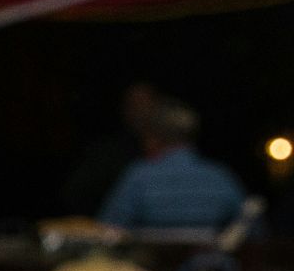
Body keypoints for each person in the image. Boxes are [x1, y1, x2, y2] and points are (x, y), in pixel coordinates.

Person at [98, 97, 247, 230]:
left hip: (150, 261)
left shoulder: (139, 177)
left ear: (152, 139)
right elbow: (252, 232)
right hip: (211, 260)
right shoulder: (221, 177)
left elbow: (108, 232)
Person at [61, 80, 156, 218]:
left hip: (162, 233)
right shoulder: (106, 153)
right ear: (124, 109)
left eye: (146, 104)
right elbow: (75, 194)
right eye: (134, 105)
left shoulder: (171, 150)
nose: (140, 112)